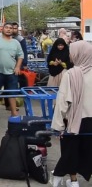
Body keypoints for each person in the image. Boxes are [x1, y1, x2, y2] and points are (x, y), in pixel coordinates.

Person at [50, 40, 92, 187]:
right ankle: (68, 179)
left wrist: (58, 125)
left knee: (70, 151)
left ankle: (68, 178)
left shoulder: (71, 74)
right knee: (87, 151)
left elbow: (62, 101)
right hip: (90, 121)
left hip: (74, 120)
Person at [0, 23, 23, 117]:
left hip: (11, 72)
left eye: (11, 28)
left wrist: (17, 67)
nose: (8, 29)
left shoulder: (16, 42)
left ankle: (14, 113)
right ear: (2, 29)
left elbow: (20, 56)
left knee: (12, 92)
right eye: (6, 28)